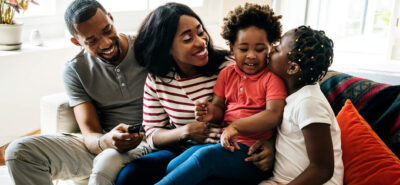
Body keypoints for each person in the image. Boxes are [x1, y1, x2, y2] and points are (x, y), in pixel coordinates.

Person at [115, 3, 276, 185]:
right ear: (167, 47)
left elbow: (269, 110)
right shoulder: (158, 80)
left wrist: (270, 144)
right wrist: (186, 131)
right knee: (130, 175)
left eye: (200, 32)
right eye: (187, 39)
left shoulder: (232, 67)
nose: (201, 42)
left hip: (227, 150)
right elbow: (152, 134)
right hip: (185, 150)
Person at [5, 0, 151, 185]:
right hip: (105, 144)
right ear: (76, 42)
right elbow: (91, 136)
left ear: (112, 19)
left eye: (107, 30)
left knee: (108, 161)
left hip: (150, 140)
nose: (106, 43)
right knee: (19, 152)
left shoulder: (146, 47)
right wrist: (107, 141)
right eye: (92, 41)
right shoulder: (75, 70)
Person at [260, 26, 344, 185]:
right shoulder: (290, 95)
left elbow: (322, 169)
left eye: (277, 49)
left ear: (292, 67)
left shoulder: (309, 102)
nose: (270, 49)